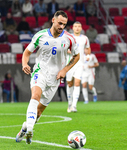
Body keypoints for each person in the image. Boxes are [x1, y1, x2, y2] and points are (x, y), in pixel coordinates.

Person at [15, 10, 79, 144]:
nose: (61, 26)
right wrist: (24, 64)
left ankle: (25, 127)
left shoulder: (69, 39)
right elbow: (27, 52)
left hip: (55, 79)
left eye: (64, 24)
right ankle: (31, 130)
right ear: (53, 20)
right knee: (35, 96)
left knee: (38, 113)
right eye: (60, 23)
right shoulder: (41, 36)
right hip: (40, 72)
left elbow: (77, 56)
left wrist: (65, 69)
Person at [66, 21, 91, 113]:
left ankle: (74, 105)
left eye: (79, 26)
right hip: (69, 64)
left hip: (80, 64)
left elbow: (87, 48)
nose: (77, 28)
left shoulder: (85, 38)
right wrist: (67, 51)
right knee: (69, 84)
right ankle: (69, 103)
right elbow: (63, 47)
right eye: (75, 26)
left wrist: (87, 55)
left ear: (81, 28)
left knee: (77, 83)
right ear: (73, 28)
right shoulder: (68, 37)